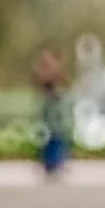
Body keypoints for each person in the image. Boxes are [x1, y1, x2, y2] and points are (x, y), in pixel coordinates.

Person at [32, 48, 73, 177]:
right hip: (50, 113)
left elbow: (64, 87)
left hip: (58, 114)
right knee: (51, 138)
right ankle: (51, 164)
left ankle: (57, 163)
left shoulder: (56, 75)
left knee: (58, 138)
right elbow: (45, 89)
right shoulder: (47, 75)